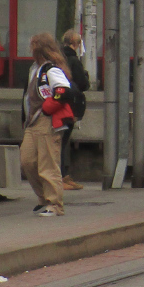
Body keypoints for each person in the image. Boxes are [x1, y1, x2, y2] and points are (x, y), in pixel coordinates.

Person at [20, 33, 74, 217]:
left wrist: (49, 107)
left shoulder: (50, 70)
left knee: (47, 164)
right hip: (33, 121)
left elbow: (64, 91)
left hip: (46, 120)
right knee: (27, 161)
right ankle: (44, 197)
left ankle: (55, 203)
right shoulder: (35, 69)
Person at [58, 29, 90, 191]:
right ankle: (61, 176)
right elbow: (82, 84)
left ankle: (62, 175)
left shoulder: (58, 58)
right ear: (75, 44)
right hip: (70, 106)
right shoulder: (73, 61)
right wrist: (86, 77)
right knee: (62, 143)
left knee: (59, 141)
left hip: (58, 105)